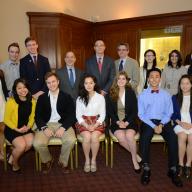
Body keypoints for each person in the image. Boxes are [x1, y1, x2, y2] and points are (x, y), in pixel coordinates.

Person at [138, 68, 183, 187]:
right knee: (145, 136)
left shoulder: (166, 94)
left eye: (156, 76)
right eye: (151, 76)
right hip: (148, 121)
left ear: (160, 79)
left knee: (173, 138)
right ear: (148, 79)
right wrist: (154, 126)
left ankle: (173, 169)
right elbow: (141, 115)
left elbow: (169, 113)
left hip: (164, 121)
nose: (154, 79)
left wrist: (161, 124)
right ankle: (146, 168)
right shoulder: (142, 95)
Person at [33, 72, 76, 174]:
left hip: (62, 124)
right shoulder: (42, 98)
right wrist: (44, 127)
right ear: (46, 84)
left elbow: (72, 115)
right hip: (47, 124)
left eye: (53, 82)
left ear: (58, 82)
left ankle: (62, 161)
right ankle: (48, 160)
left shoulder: (66, 96)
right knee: (37, 143)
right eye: (48, 83)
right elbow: (37, 116)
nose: (51, 84)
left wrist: (63, 128)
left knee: (71, 140)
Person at [107, 71, 141, 173]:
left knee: (130, 136)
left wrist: (126, 122)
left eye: (123, 79)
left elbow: (135, 110)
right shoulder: (111, 93)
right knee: (121, 138)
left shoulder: (131, 92)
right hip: (116, 121)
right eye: (119, 79)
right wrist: (118, 122)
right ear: (116, 80)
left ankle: (134, 160)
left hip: (130, 121)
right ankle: (137, 156)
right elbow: (110, 111)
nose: (121, 81)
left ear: (126, 81)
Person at [4, 78, 36, 171]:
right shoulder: (11, 101)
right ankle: (15, 163)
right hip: (12, 129)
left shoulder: (32, 101)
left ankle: (11, 157)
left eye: (25, 87)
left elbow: (32, 116)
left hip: (26, 128)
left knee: (30, 143)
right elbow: (6, 119)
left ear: (28, 88)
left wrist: (29, 126)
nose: (23, 90)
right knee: (21, 146)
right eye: (19, 88)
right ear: (15, 89)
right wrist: (17, 129)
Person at [76, 74, 105, 172]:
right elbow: (78, 116)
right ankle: (87, 160)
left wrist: (95, 125)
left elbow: (103, 114)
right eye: (86, 83)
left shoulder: (100, 97)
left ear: (94, 84)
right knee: (87, 136)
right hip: (84, 122)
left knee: (94, 136)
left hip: (97, 122)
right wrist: (87, 125)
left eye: (91, 83)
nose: (89, 85)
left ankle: (93, 160)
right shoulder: (79, 98)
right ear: (83, 85)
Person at [172, 75, 192, 179]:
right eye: (182, 83)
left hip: (191, 124)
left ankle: (188, 165)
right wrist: (180, 123)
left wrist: (190, 125)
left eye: (187, 83)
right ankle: (180, 164)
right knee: (183, 136)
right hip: (179, 123)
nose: (184, 85)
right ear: (179, 85)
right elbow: (172, 114)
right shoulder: (175, 97)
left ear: (191, 84)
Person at [0, 70, 8, 160]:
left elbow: (5, 91)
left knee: (2, 130)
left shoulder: (1, 73)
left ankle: (2, 153)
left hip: (2, 106)